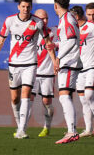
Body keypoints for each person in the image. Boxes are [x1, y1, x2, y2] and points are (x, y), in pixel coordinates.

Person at [0, 0, 57, 139]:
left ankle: (22, 129)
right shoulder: (10, 21)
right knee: (15, 98)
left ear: (31, 7)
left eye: (28, 7)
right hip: (14, 64)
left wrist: (54, 60)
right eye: (23, 6)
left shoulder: (37, 22)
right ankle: (19, 125)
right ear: (18, 7)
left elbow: (48, 43)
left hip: (30, 64)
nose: (25, 9)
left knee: (26, 94)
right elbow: (0, 42)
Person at [70, 5, 94, 138]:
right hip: (80, 68)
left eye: (72, 17)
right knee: (83, 100)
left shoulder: (92, 26)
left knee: (90, 94)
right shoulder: (72, 30)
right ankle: (88, 129)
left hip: (93, 65)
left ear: (77, 16)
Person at [53, 0, 82, 144]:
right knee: (65, 96)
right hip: (69, 60)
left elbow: (71, 42)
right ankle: (71, 129)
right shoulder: (67, 18)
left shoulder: (67, 19)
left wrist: (58, 57)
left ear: (55, 5)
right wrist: (56, 45)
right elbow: (67, 41)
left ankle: (72, 131)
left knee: (64, 96)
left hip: (69, 61)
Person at [29, 9, 58, 137]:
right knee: (27, 98)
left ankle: (47, 127)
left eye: (46, 18)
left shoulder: (54, 31)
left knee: (46, 101)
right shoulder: (29, 32)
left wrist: (58, 60)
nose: (45, 21)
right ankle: (21, 127)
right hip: (32, 72)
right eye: (42, 19)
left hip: (47, 72)